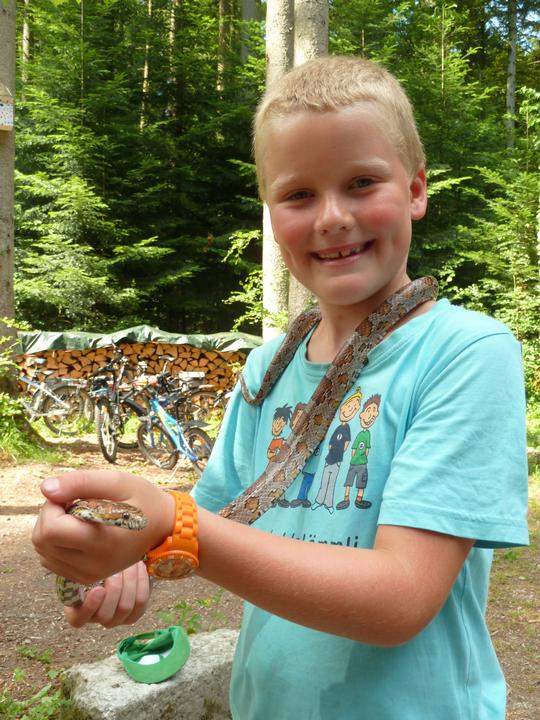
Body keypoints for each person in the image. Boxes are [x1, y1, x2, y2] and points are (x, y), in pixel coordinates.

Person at [32, 55, 528, 719]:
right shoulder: (267, 369)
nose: (332, 217)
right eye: (298, 195)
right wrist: (119, 554)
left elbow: (400, 599)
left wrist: (174, 526)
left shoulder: (466, 353)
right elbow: (214, 524)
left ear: (415, 190)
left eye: (361, 183)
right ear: (270, 213)